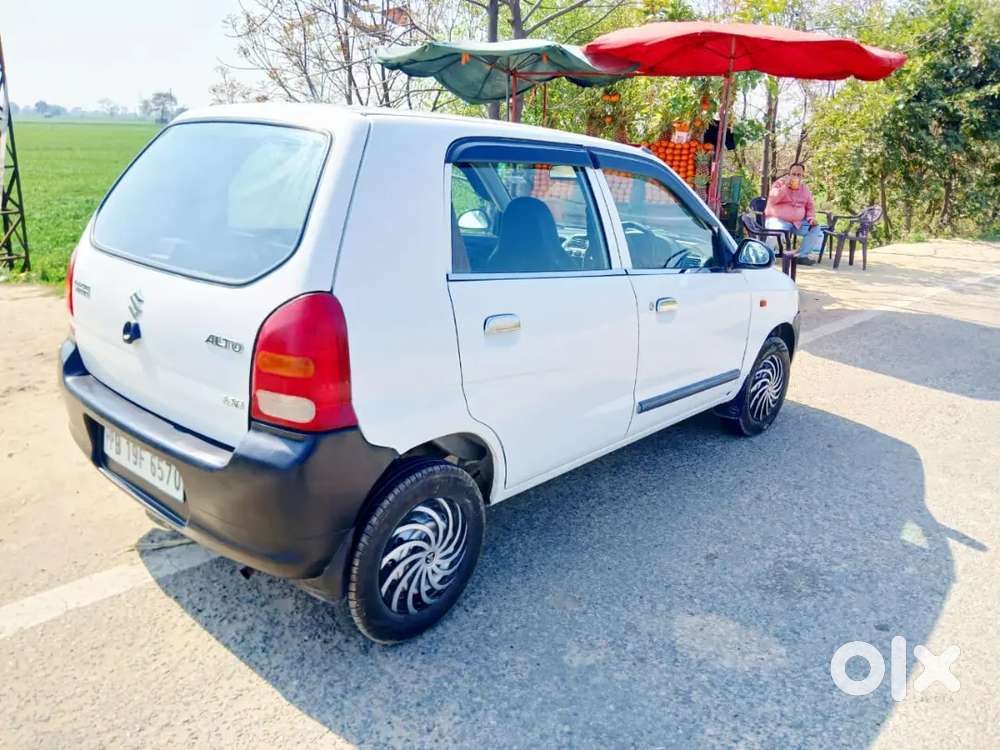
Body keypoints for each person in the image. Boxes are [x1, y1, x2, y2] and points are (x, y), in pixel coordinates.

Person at [764, 162, 824, 265]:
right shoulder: (779, 184)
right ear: (789, 174)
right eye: (794, 174)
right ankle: (766, 256)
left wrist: (810, 218)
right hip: (778, 219)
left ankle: (801, 256)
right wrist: (785, 187)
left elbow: (810, 206)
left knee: (816, 229)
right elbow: (773, 199)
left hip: (797, 223)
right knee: (775, 231)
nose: (796, 177)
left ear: (802, 176)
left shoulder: (805, 189)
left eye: (799, 175)